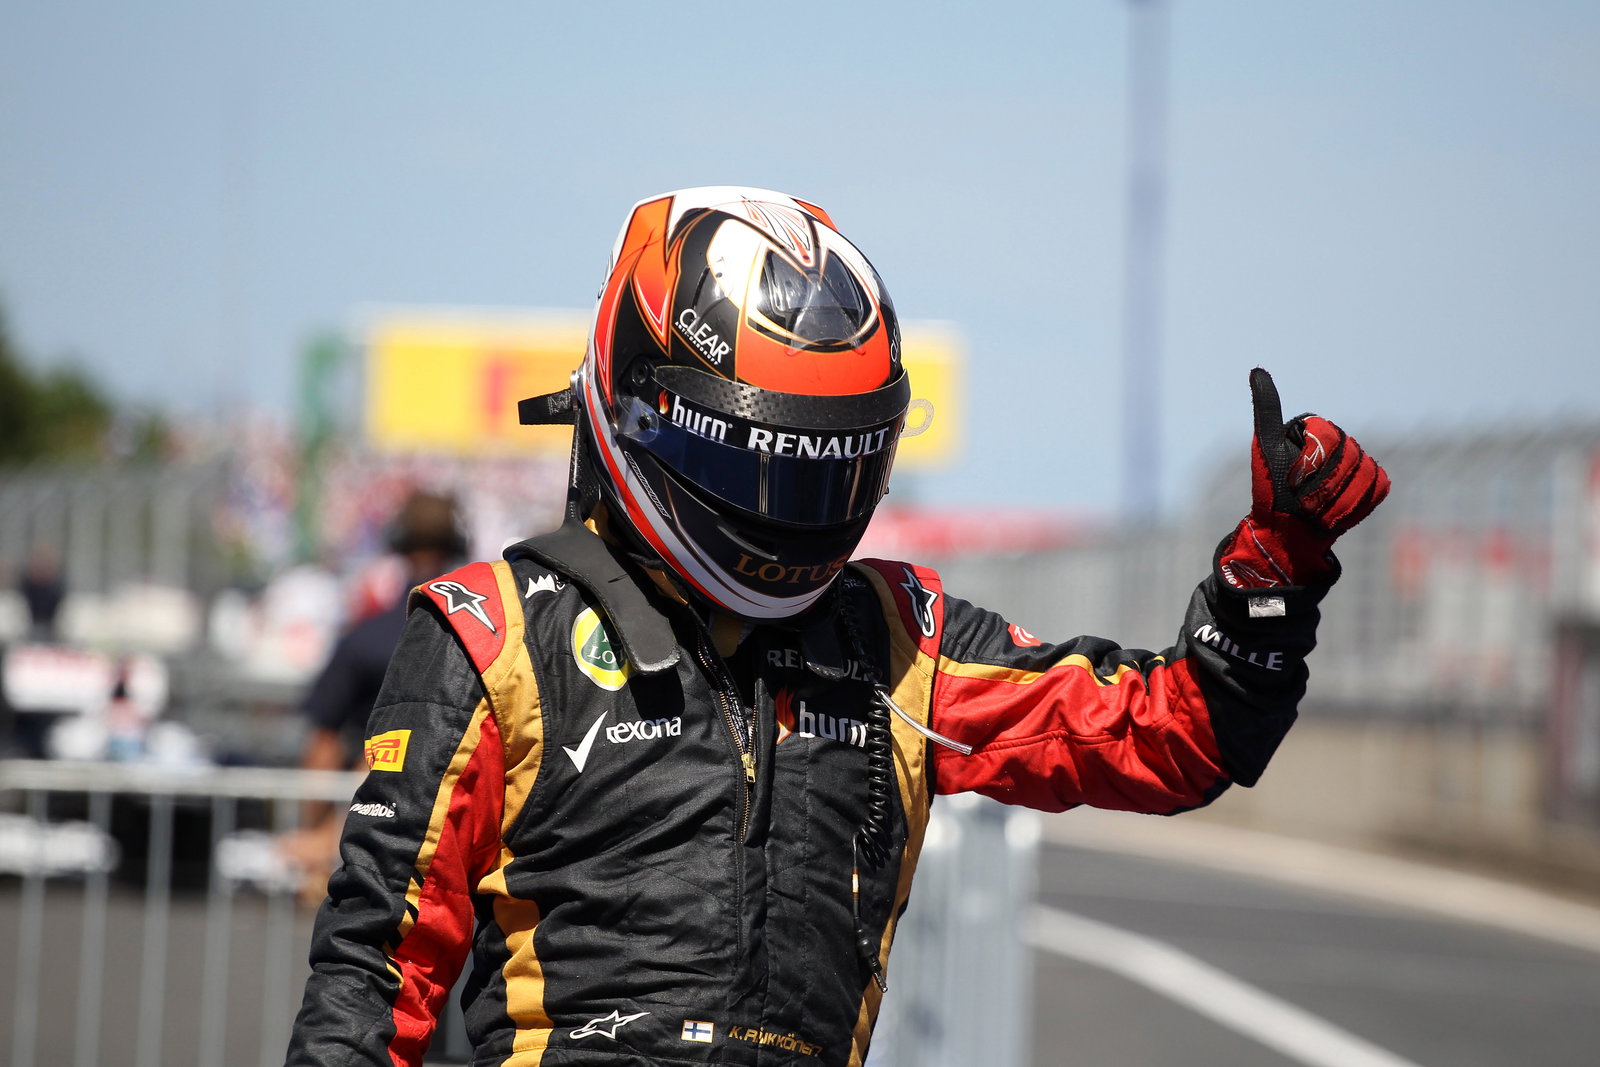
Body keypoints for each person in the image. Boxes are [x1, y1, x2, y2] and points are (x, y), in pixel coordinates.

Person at [285, 187, 1389, 1067]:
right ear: (634, 406)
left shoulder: (899, 638)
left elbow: (1174, 735)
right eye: (751, 461)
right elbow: (372, 973)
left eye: (819, 468)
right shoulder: (493, 632)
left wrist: (1273, 568)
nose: (781, 508)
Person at [278, 490, 468, 903]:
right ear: (457, 546)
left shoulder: (366, 637)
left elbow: (322, 742)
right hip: (454, 824)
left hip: (370, 818)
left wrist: (317, 835)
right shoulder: (479, 641)